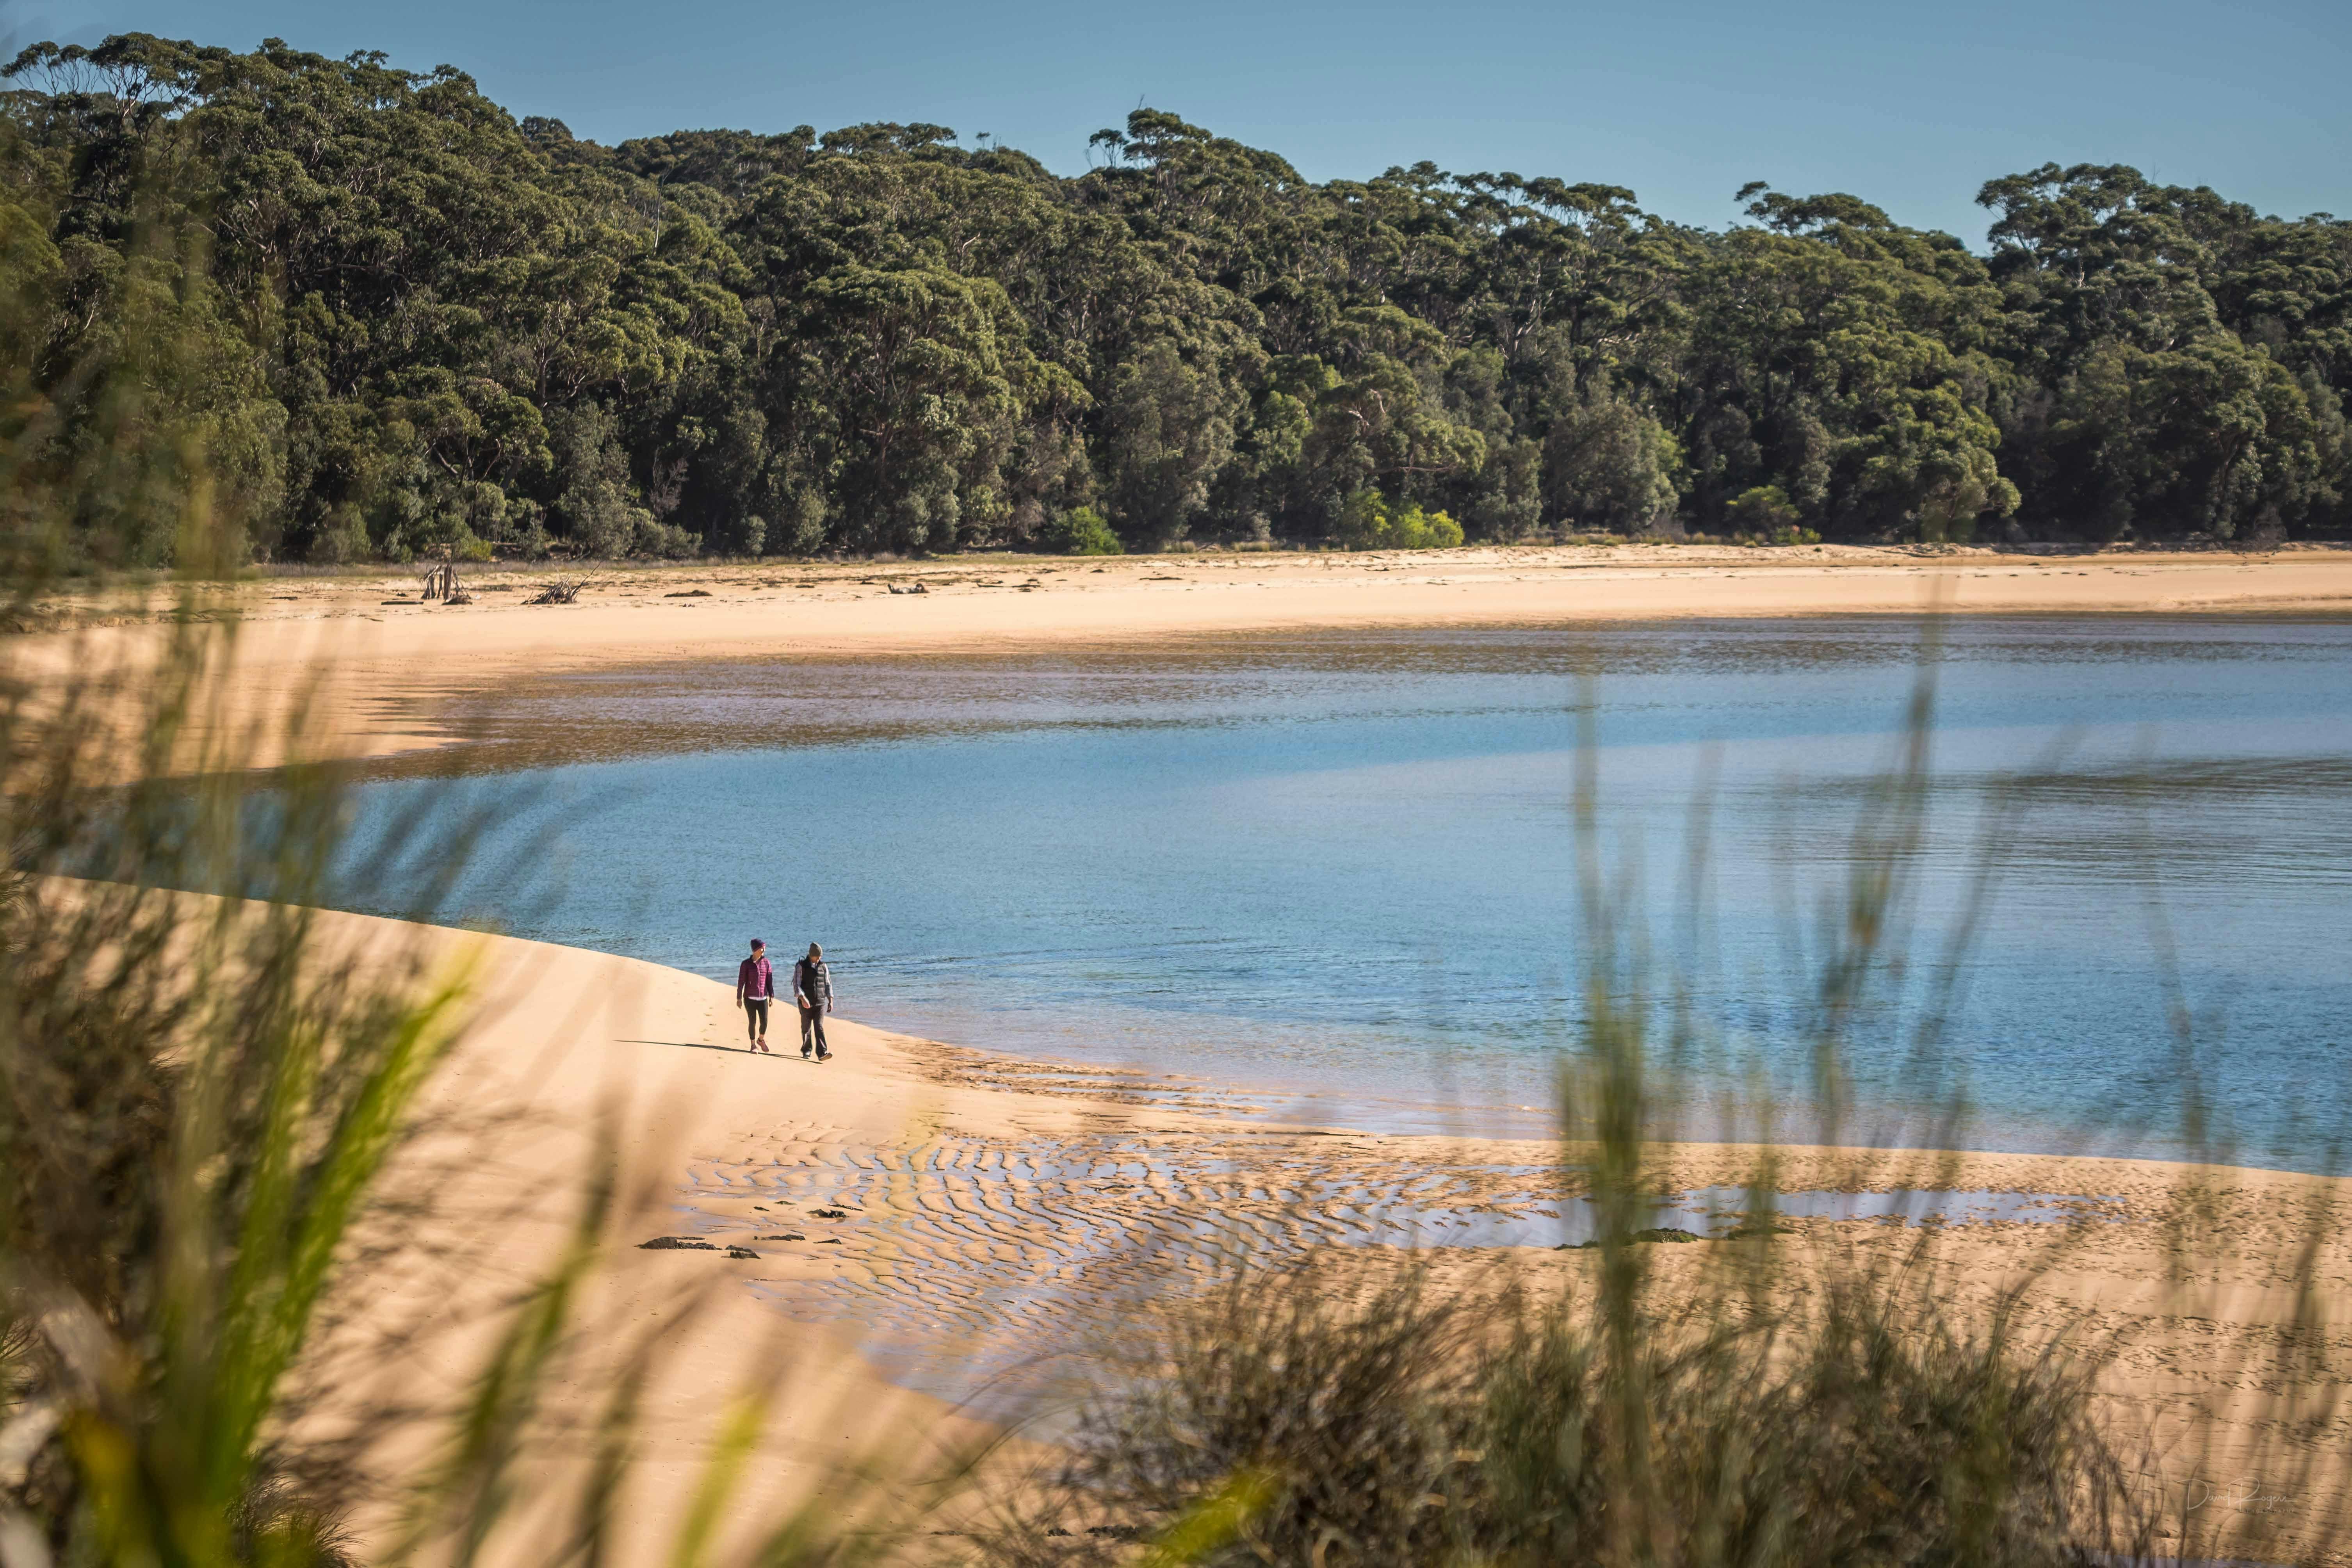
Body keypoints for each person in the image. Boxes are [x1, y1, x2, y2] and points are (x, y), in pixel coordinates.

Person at [793, 942, 833, 1061]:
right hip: (806, 1002)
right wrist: (803, 998)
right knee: (806, 1028)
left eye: (821, 956)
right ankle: (807, 1051)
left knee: (819, 1027)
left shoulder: (823, 966)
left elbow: (828, 984)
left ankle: (822, 1053)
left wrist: (831, 1000)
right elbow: (796, 985)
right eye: (818, 956)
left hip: (820, 1002)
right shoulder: (801, 967)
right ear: (811, 955)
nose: (820, 958)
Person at [735, 938, 776, 1054]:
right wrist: (739, 998)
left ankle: (761, 1040)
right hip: (749, 999)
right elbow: (741, 982)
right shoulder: (746, 964)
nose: (764, 950)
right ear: (756, 950)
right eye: (762, 948)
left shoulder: (767, 963)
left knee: (764, 1022)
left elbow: (770, 981)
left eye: (764, 948)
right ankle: (753, 1045)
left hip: (763, 998)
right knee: (752, 1021)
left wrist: (772, 996)